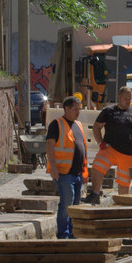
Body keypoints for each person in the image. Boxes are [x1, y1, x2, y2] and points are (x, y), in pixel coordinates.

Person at [87, 85, 132, 203]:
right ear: (119, 97)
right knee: (97, 168)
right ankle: (95, 195)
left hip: (129, 153)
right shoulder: (108, 111)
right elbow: (96, 127)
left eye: (130, 99)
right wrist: (101, 142)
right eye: (126, 99)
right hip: (110, 149)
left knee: (124, 181)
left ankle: (122, 203)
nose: (128, 101)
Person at [45, 95, 88, 239]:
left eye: (79, 109)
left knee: (75, 204)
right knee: (67, 202)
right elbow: (50, 146)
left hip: (77, 172)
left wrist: (85, 171)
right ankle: (63, 234)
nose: (78, 112)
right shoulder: (56, 124)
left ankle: (73, 233)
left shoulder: (79, 125)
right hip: (63, 171)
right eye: (75, 109)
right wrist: (53, 167)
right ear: (66, 109)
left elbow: (83, 148)